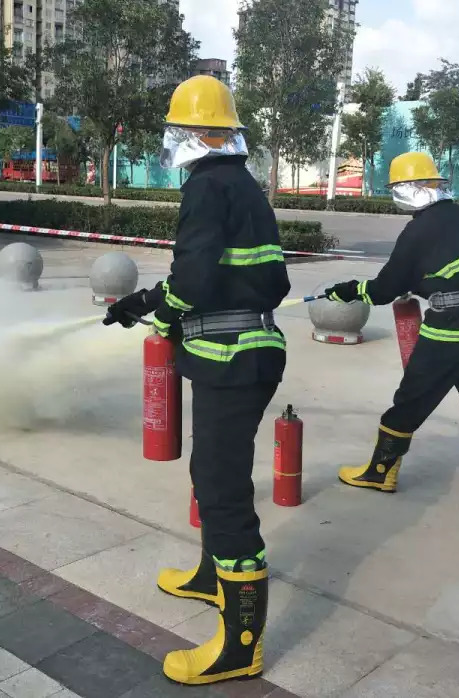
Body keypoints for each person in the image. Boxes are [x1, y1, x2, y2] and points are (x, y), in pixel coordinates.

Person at [103, 75, 290, 686]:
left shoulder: (207, 187)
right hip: (247, 351)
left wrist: (164, 306)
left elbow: (195, 276)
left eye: (175, 130)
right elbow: (261, 278)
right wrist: (146, 301)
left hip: (231, 359)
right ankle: (213, 576)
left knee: (223, 490)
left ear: (190, 135)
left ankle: (240, 648)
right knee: (210, 471)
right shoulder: (244, 186)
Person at [324, 151, 459, 499]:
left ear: (410, 189)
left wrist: (350, 291)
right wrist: (426, 283)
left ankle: (379, 473)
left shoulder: (418, 230)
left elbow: (385, 290)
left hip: (448, 335)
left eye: (397, 188)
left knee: (409, 402)